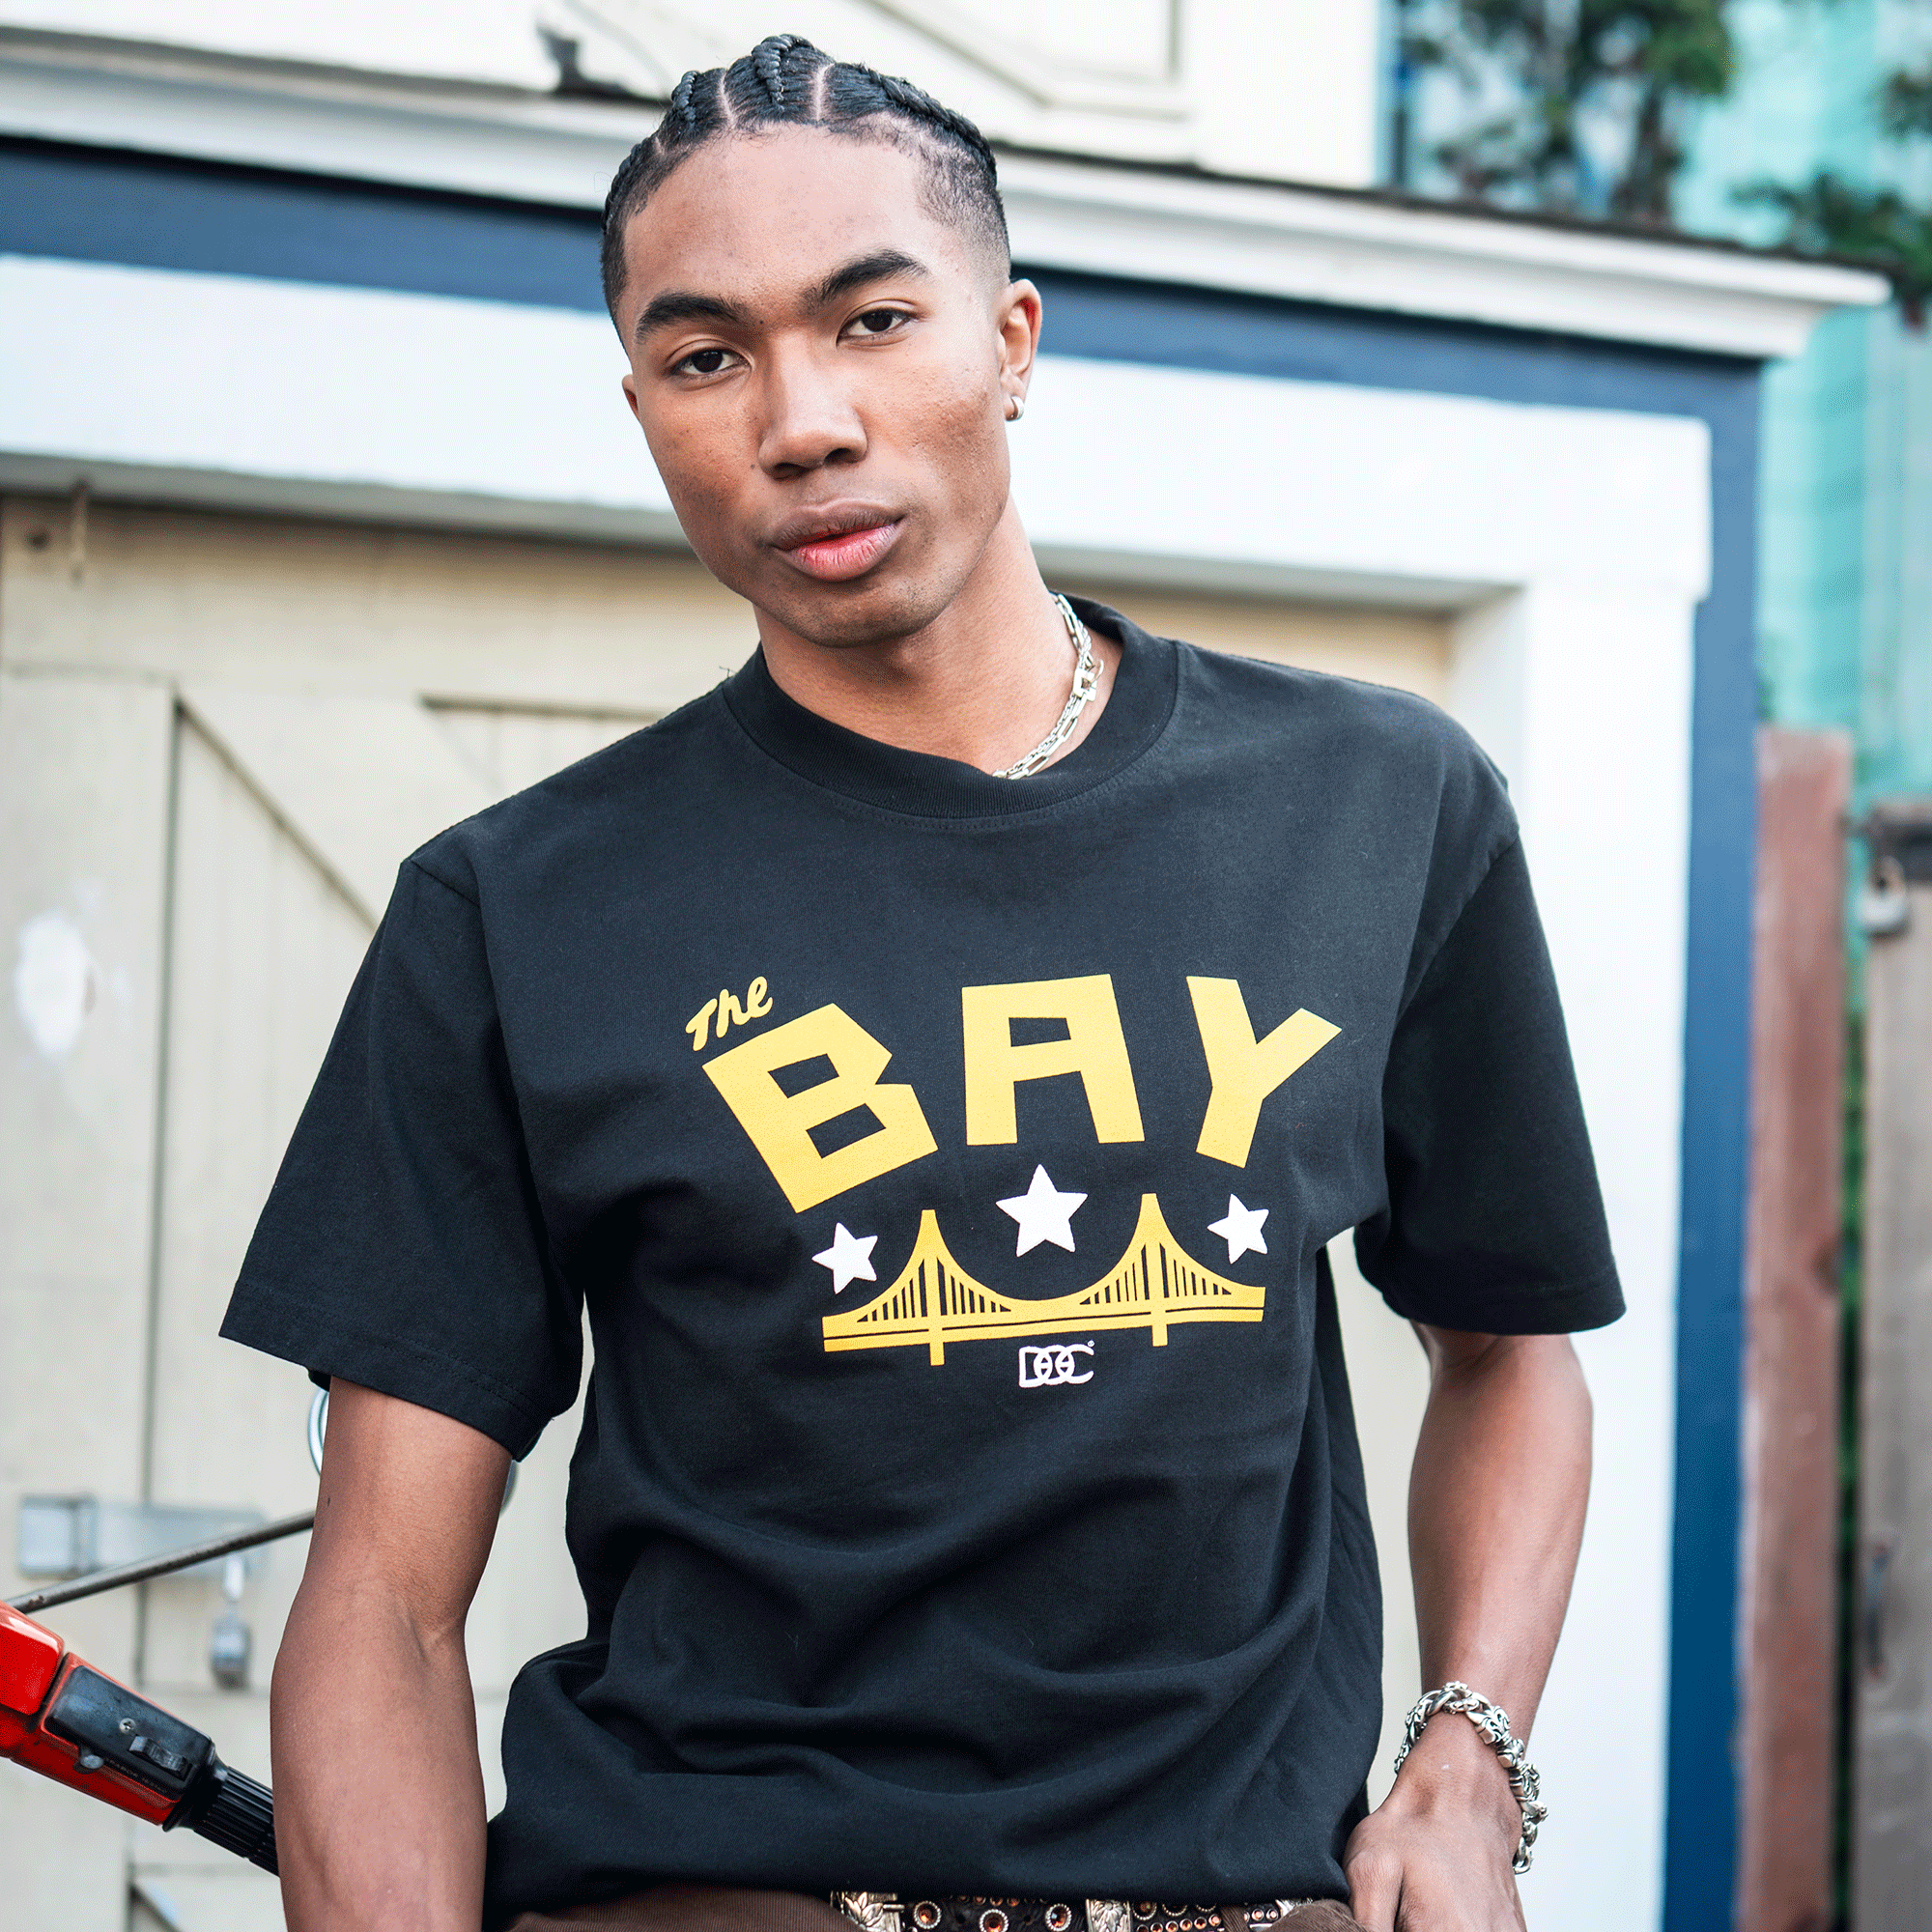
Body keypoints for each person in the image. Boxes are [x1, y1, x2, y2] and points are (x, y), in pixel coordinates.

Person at [221, 34, 1620, 1932]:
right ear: (641, 407)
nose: (799, 421)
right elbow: (383, 1593)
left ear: (1013, 340)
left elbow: (1511, 1350)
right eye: (704, 357)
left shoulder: (1376, 805)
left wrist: (1466, 1765)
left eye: (873, 319)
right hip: (720, 1900)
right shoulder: (514, 911)